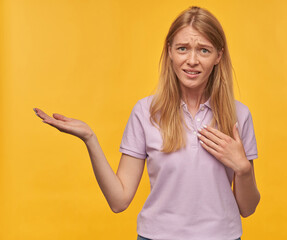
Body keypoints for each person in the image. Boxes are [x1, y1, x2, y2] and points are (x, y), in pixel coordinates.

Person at [33, 6, 260, 240]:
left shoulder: (238, 116)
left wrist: (243, 170)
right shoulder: (146, 112)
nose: (192, 60)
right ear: (169, 50)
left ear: (218, 56)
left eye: (204, 50)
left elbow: (248, 208)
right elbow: (119, 200)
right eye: (183, 48)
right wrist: (90, 138)